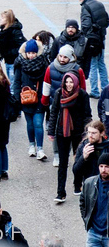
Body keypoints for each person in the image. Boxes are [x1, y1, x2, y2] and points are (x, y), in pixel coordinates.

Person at [48, 71, 91, 203]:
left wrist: (86, 133)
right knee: (63, 162)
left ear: (76, 82)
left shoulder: (82, 95)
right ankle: (61, 192)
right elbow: (54, 112)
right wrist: (51, 131)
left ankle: (77, 185)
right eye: (66, 82)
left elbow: (87, 115)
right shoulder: (59, 93)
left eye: (71, 82)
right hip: (63, 132)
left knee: (79, 160)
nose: (68, 84)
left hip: (78, 133)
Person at [81, 154, 109, 247]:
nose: (103, 170)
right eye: (101, 166)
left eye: (107, 166)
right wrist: (87, 220)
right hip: (94, 232)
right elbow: (82, 203)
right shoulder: (89, 183)